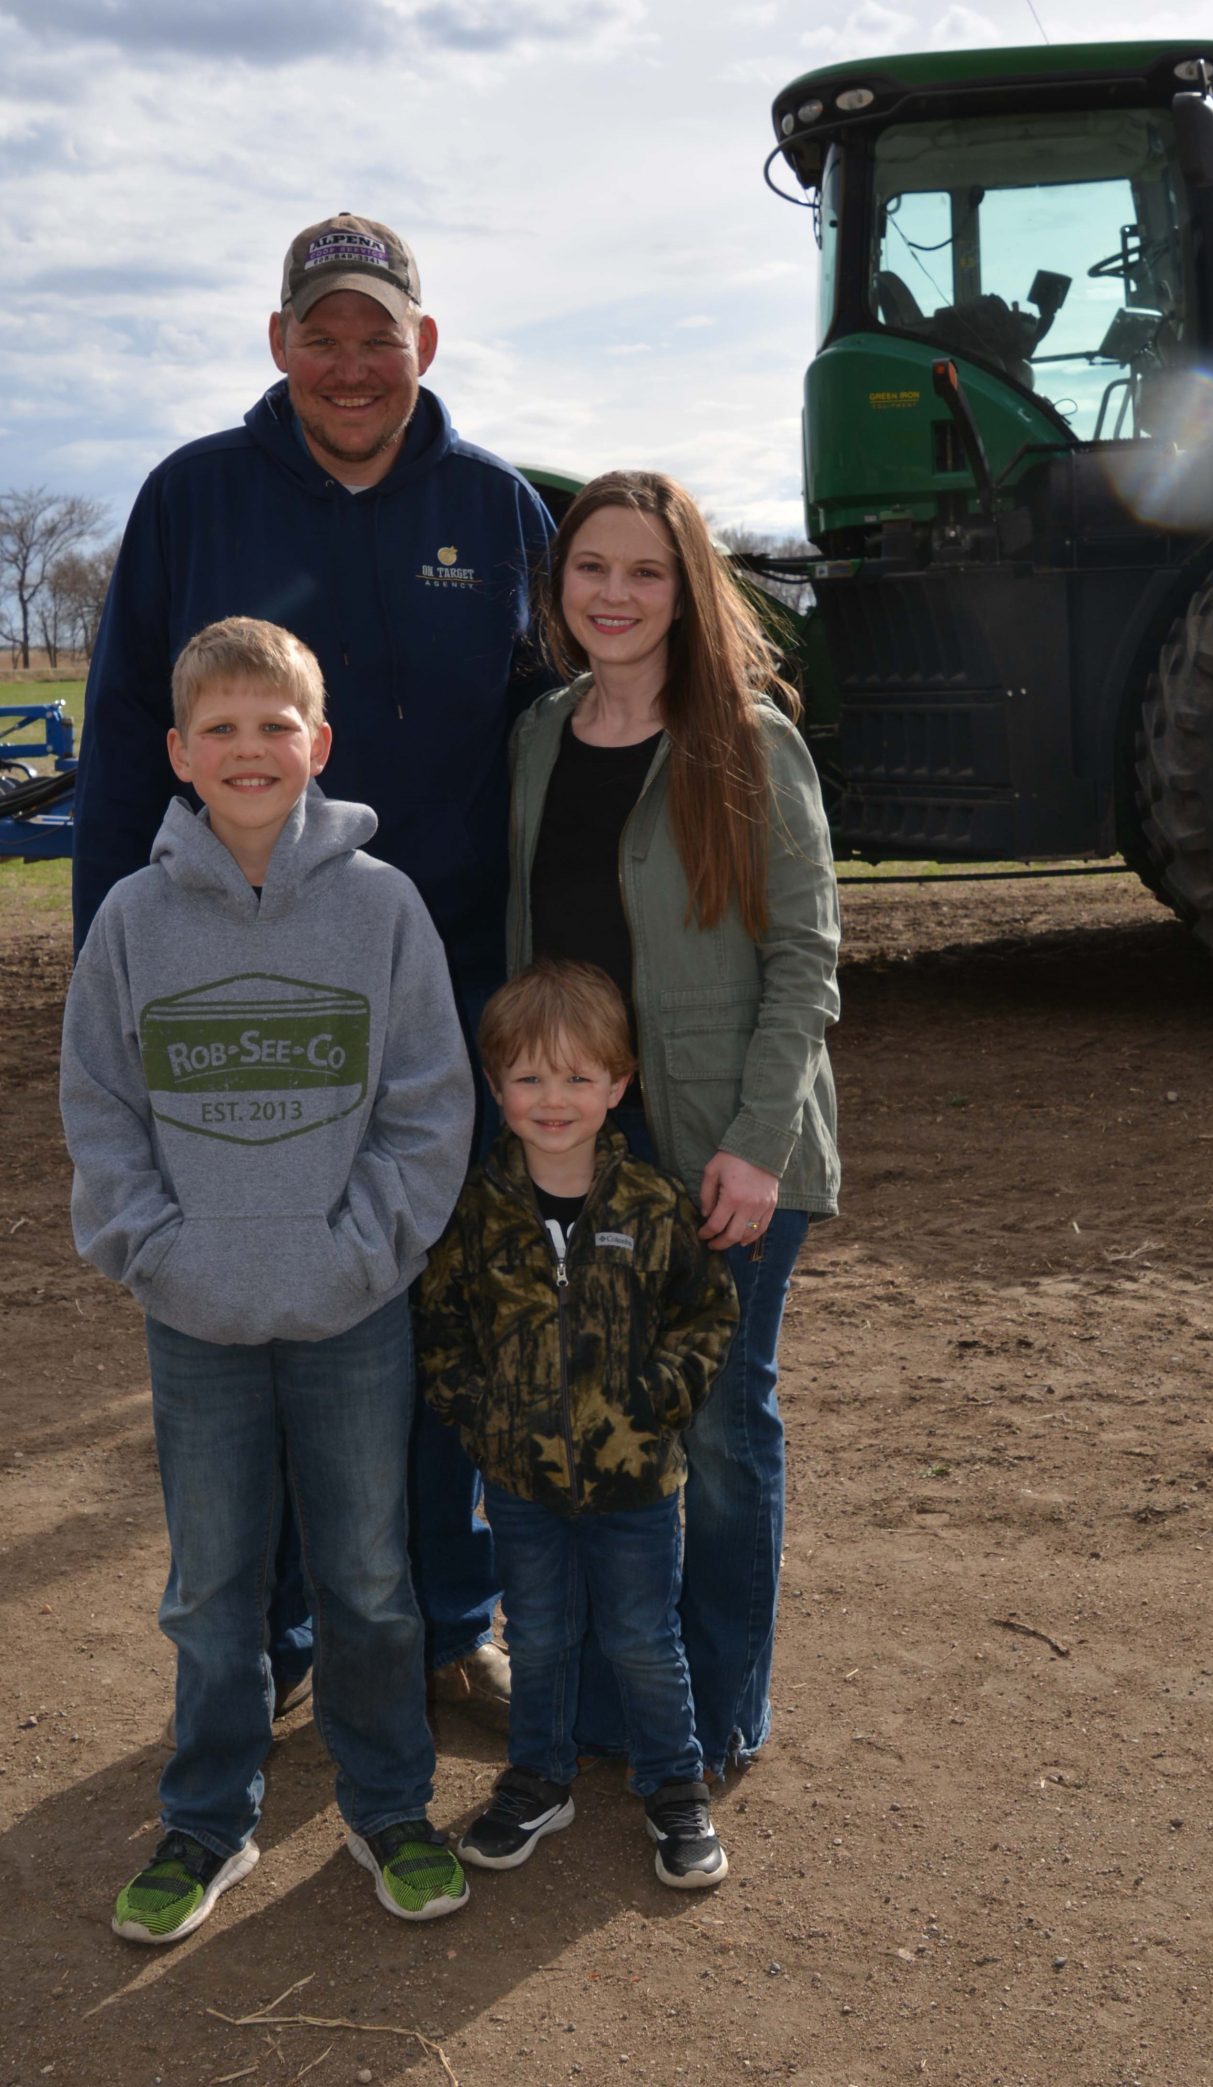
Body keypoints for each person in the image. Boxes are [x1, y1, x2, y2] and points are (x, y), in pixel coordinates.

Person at [71, 212, 555, 1729]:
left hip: (450, 989)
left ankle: (441, 1615)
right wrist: (118, 968)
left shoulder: (498, 507)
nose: (352, 363)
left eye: (379, 333)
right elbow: (113, 749)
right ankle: (278, 1635)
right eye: (322, 333)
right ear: (279, 344)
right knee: (260, 1301)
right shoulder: (193, 498)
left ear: (426, 342)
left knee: (417, 1307)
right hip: (238, 992)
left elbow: (552, 748)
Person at [60, 618, 473, 1942]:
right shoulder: (132, 918)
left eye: (274, 724)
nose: (250, 749)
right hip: (196, 1317)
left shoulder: (382, 908)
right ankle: (207, 1818)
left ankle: (388, 1801)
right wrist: (161, 1253)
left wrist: (357, 1255)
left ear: (319, 744)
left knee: (366, 1571)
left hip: (353, 1311)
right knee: (213, 1583)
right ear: (179, 752)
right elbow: (103, 1111)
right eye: (221, 729)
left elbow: (428, 1109)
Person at [506, 470, 840, 1777]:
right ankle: (609, 1704)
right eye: (592, 567)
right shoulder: (538, 731)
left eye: (645, 570)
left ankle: (718, 1709)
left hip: (722, 1145)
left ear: (687, 587)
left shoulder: (749, 735)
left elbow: (808, 952)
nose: (616, 594)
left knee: (714, 1426)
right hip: (579, 1147)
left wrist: (757, 1142)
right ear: (561, 583)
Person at [415, 959, 739, 1886]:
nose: (552, 1099)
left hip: (637, 1481)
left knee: (642, 1637)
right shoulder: (478, 1211)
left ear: (618, 1086)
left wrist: (664, 1397)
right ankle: (538, 1779)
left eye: (577, 1077)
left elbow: (708, 1313)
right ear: (495, 1088)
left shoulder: (652, 1204)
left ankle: (676, 1789)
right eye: (527, 1077)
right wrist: (482, 1416)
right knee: (542, 1635)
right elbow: (440, 1323)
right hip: (520, 1483)